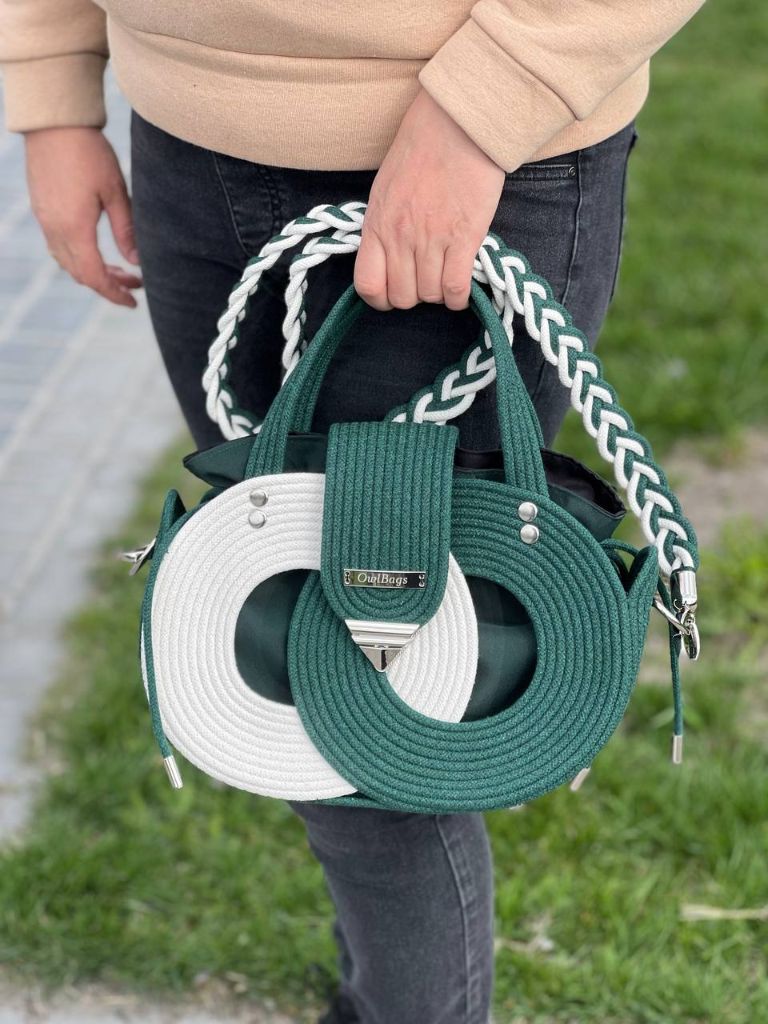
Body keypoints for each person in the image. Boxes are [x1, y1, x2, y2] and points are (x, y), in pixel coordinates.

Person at [0, 2, 705, 1021]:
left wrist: (477, 116)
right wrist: (52, 95)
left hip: (457, 155)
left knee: (378, 727)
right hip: (186, 146)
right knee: (302, 648)